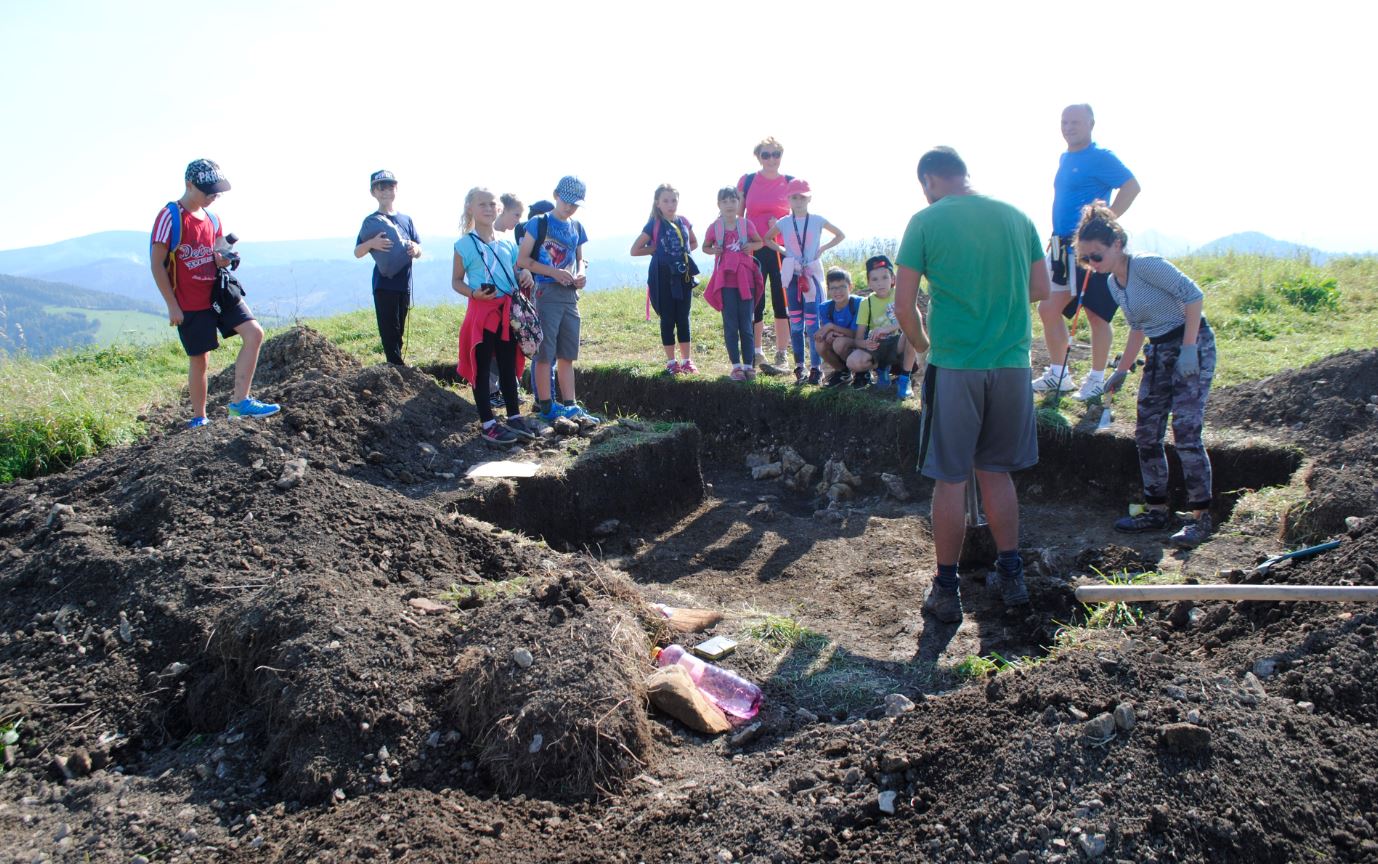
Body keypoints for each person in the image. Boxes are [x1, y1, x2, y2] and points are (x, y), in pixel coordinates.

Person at [894, 147, 1049, 624]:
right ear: (964, 174)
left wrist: (921, 347)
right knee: (996, 472)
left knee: (950, 477)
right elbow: (1042, 289)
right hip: (1011, 365)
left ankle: (946, 590)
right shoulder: (1018, 218)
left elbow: (904, 306)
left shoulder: (926, 220)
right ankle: (1011, 574)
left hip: (955, 364)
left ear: (929, 181)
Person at [1077, 204, 1217, 549]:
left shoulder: (1147, 265)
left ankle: (1202, 516)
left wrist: (1188, 348)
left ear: (1117, 243)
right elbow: (1137, 327)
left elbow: (1193, 295)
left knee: (1185, 430)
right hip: (1158, 350)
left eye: (1096, 255)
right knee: (1146, 433)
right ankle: (1156, 509)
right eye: (1086, 259)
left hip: (1191, 342)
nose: (1092, 264)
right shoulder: (1113, 283)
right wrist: (1121, 370)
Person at [150, 158, 279, 428]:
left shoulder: (212, 218)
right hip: (189, 301)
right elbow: (157, 263)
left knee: (254, 333)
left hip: (219, 293)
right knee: (200, 359)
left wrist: (224, 258)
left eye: (216, 192)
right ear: (189, 185)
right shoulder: (170, 216)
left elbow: (215, 252)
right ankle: (200, 417)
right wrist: (172, 305)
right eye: (208, 191)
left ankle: (240, 402)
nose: (213, 197)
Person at [1034, 104, 1141, 400]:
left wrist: (1107, 221)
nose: (1069, 127)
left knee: (1096, 314)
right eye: (1064, 121)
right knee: (1047, 308)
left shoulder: (1101, 157)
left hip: (1089, 246)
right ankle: (1059, 375)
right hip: (1060, 245)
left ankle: (1096, 379)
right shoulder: (1066, 157)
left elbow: (1131, 186)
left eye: (1076, 122)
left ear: (1091, 123)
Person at [452, 188, 540, 447]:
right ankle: (488, 423)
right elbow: (456, 281)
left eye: (492, 204)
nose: (488, 209)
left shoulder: (507, 243)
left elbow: (516, 271)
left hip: (507, 312)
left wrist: (526, 275)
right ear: (470, 208)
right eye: (482, 204)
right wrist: (473, 293)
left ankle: (514, 417)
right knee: (480, 367)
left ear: (498, 208)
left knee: (507, 364)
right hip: (481, 313)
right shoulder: (463, 244)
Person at [516, 176, 601, 429]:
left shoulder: (577, 226)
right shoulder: (539, 223)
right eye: (567, 202)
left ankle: (570, 403)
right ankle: (546, 406)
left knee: (567, 353)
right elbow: (523, 260)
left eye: (575, 204)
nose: (570, 208)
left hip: (570, 295)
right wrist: (552, 272)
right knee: (545, 353)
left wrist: (582, 273)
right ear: (556, 195)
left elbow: (581, 259)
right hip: (545, 292)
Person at [762, 179, 845, 385]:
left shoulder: (817, 220)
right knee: (796, 323)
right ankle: (800, 366)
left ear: (809, 199)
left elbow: (840, 235)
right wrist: (783, 252)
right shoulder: (784, 222)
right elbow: (767, 239)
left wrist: (822, 249)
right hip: (792, 276)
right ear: (788, 199)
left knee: (812, 324)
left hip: (811, 276)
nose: (798, 201)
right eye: (794, 197)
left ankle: (815, 368)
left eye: (802, 197)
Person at [630, 184, 700, 375]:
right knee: (668, 319)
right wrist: (654, 250)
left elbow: (693, 242)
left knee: (683, 318)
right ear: (658, 203)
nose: (671, 205)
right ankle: (671, 362)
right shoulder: (654, 223)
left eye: (674, 200)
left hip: (683, 276)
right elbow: (635, 250)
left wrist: (682, 256)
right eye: (666, 201)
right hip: (662, 277)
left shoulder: (684, 221)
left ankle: (687, 361)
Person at [354, 170, 423, 366]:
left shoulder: (406, 219)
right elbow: (358, 252)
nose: (386, 192)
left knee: (399, 329)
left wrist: (415, 249)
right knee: (389, 331)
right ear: (373, 192)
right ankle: (396, 367)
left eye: (390, 187)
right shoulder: (371, 221)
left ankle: (397, 367)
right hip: (384, 285)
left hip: (404, 284)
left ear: (396, 189)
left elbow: (419, 249)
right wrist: (371, 244)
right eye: (380, 188)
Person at [737, 137, 793, 374]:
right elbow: (739, 217)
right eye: (766, 154)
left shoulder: (790, 183)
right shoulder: (748, 181)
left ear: (781, 156)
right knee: (755, 301)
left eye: (776, 154)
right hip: (754, 250)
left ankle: (782, 354)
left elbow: (798, 217)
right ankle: (755, 351)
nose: (771, 159)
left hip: (781, 250)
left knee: (782, 302)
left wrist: (779, 224)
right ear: (758, 156)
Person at [702, 186, 764, 381]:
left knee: (746, 324)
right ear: (719, 205)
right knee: (730, 324)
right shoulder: (715, 227)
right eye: (725, 201)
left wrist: (750, 246)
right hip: (726, 281)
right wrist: (715, 251)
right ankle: (736, 367)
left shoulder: (746, 224)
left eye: (733, 200)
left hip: (746, 280)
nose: (729, 205)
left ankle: (748, 366)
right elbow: (705, 247)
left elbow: (759, 242)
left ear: (739, 203)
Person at [845, 255, 919, 399]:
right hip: (878, 347)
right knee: (852, 361)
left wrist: (887, 329)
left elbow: (914, 320)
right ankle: (882, 369)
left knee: (912, 331)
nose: (880, 283)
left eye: (885, 277)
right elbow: (858, 339)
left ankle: (904, 380)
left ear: (893, 279)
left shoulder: (901, 295)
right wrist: (866, 343)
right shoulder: (867, 303)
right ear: (869, 283)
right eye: (875, 279)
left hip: (898, 344)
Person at [815, 268, 861, 387]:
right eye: (833, 288)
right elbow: (826, 332)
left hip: (861, 344)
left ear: (850, 287)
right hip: (840, 342)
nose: (837, 291)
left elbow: (856, 334)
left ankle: (862, 372)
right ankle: (843, 372)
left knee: (839, 343)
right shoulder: (825, 307)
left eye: (842, 287)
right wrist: (829, 333)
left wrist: (832, 327)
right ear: (828, 290)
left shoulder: (858, 303)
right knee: (819, 344)